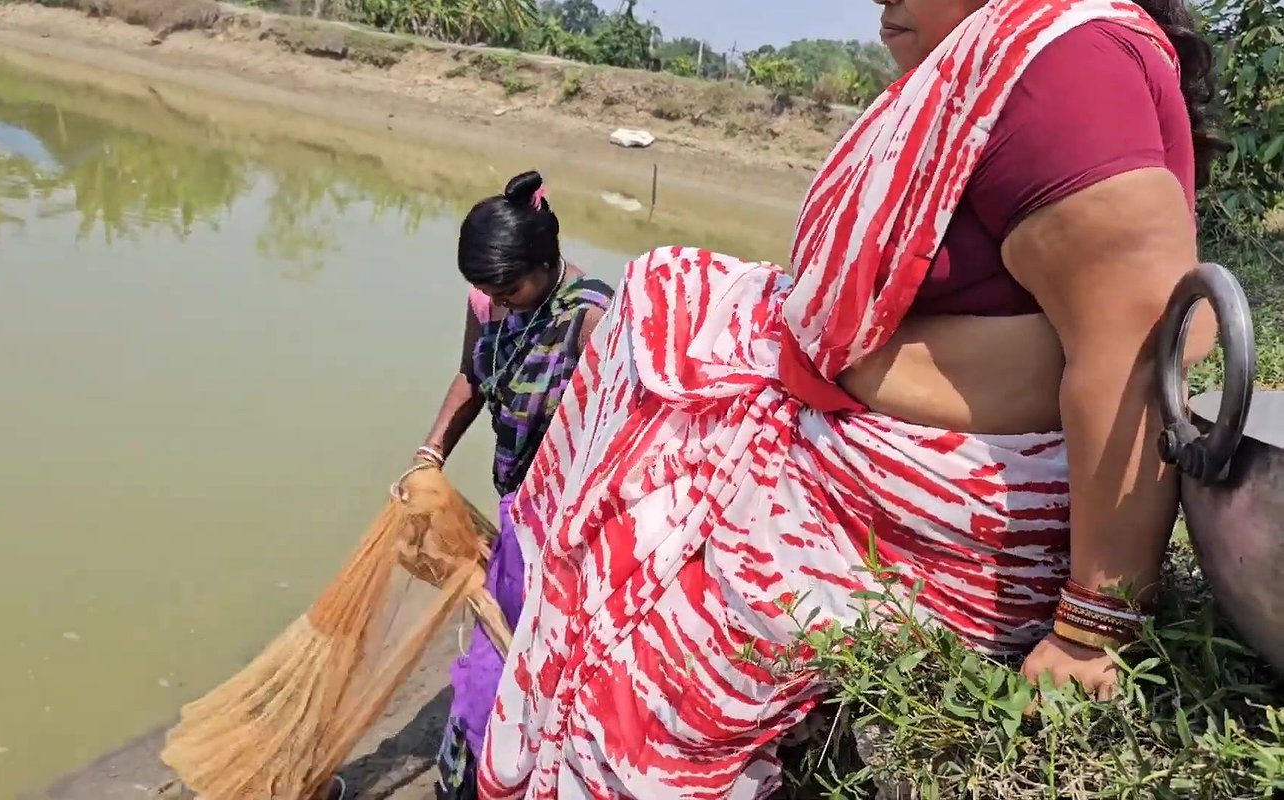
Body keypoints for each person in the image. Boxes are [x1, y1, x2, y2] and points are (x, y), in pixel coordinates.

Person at [477, 0, 1222, 797]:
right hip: (869, 452)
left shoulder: (1064, 67)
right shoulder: (1012, 63)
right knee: (665, 295)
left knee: (647, 660)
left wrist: (1089, 632)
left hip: (929, 519)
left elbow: (1148, 344)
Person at [411, 171, 613, 800]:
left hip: (568, 523)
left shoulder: (592, 319)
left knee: (529, 658)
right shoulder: (490, 302)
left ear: (549, 263)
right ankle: (469, 774)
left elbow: (618, 437)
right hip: (517, 505)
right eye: (487, 289)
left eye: (510, 287)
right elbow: (472, 376)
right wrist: (430, 453)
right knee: (500, 650)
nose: (499, 299)